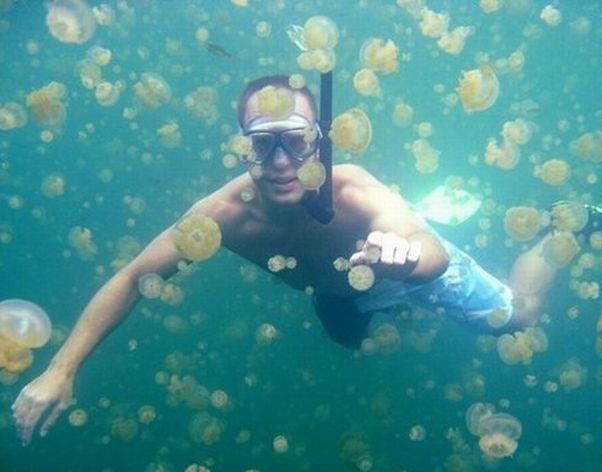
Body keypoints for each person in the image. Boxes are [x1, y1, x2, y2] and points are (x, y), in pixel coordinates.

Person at [11, 75, 558, 445]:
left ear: (320, 142)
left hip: (404, 271)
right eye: (260, 143)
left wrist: (404, 254)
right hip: (339, 291)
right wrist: (61, 369)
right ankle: (391, 311)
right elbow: (133, 277)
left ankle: (559, 232)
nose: (278, 163)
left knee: (520, 319)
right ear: (241, 146)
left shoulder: (354, 190)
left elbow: (428, 252)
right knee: (346, 341)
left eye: (295, 142)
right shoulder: (222, 215)